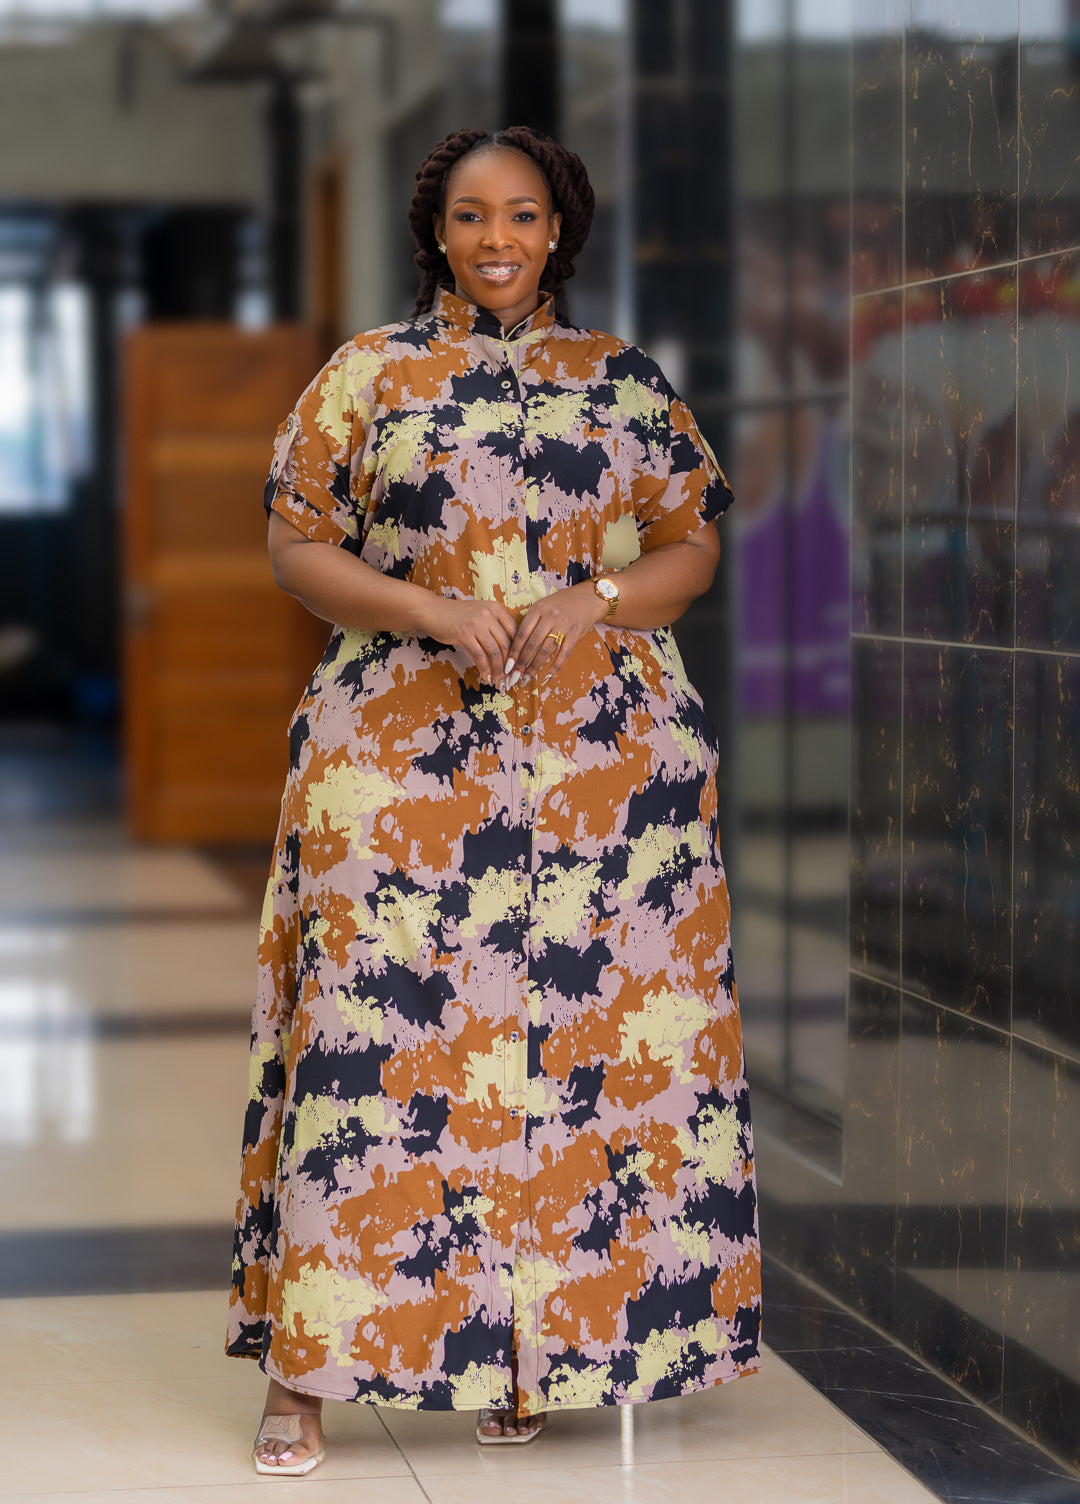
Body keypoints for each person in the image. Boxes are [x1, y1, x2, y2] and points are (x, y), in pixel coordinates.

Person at [226, 125, 761, 1476]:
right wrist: (428, 609)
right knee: (372, 1049)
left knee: (581, 1059)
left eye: (523, 214)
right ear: (438, 231)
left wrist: (597, 597)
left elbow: (693, 542)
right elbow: (294, 543)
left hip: (602, 775)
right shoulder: (370, 374)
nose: (499, 239)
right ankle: (305, 1377)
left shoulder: (622, 381)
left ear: (558, 228)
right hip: (401, 756)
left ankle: (527, 1354)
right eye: (472, 216)